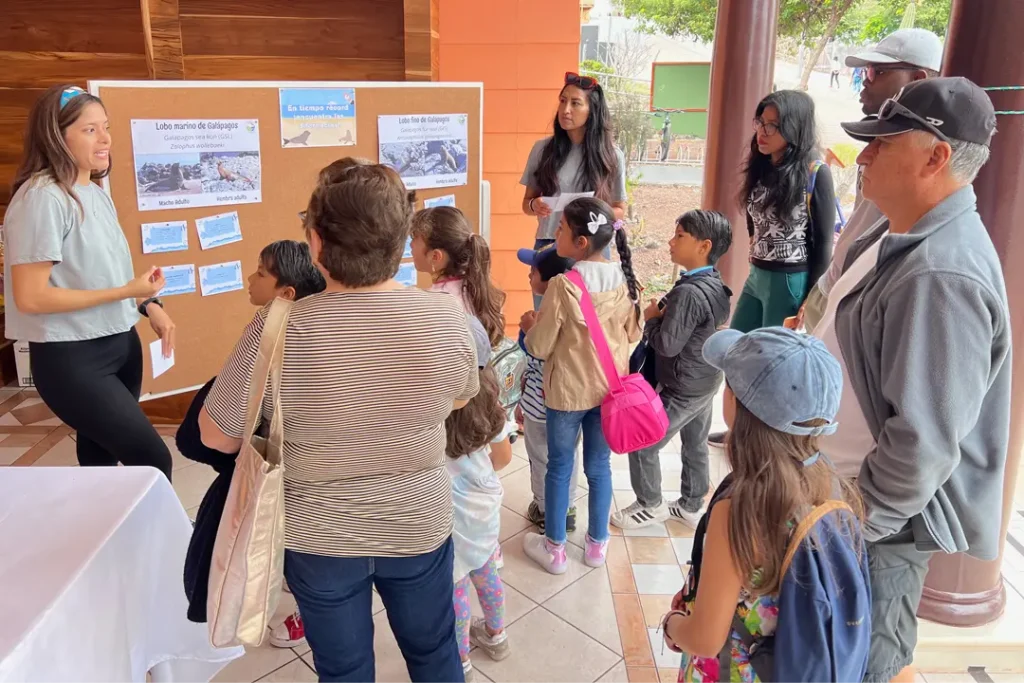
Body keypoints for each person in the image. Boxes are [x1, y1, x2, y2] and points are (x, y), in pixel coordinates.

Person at [199, 163, 478, 682]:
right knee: (435, 652)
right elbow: (461, 395)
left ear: (314, 244)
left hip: (319, 534)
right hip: (417, 521)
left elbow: (215, 432)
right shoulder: (444, 319)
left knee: (344, 669)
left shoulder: (278, 325)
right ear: (401, 242)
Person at [830, 77, 1010, 683]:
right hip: (851, 502)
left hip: (877, 525)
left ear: (936, 157)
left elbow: (924, 442)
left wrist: (856, 521)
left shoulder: (943, 274)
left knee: (869, 662)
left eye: (883, 144)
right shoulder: (900, 226)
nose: (864, 156)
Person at [663, 327, 868, 683]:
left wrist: (673, 626)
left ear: (736, 406)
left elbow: (707, 640)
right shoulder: (831, 484)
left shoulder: (742, 509)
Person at [3, 84, 175, 477]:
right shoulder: (43, 198)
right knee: (152, 460)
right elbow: (31, 297)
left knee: (99, 457)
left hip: (120, 342)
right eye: (89, 130)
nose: (105, 139)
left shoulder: (94, 193)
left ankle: (114, 535)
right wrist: (127, 292)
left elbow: (99, 273)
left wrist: (149, 306)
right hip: (73, 358)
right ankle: (161, 540)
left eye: (105, 127)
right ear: (56, 135)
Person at [176, 240, 325, 647]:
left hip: (280, 472)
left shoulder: (269, 325)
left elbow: (214, 436)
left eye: (261, 272)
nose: (249, 278)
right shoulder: (342, 316)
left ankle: (290, 602)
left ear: (286, 292)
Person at [707, 90, 836, 448]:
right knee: (737, 352)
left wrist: (808, 298)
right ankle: (738, 430)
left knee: (770, 366)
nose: (763, 133)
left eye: (774, 126)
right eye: (760, 123)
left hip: (789, 281)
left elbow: (823, 242)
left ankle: (763, 443)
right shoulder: (763, 166)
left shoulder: (815, 172)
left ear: (795, 128)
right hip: (757, 275)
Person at [519, 197, 641, 574]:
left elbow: (540, 346)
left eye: (561, 229)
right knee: (599, 466)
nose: (555, 233)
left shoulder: (562, 285)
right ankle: (596, 546)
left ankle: (555, 549)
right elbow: (633, 332)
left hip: (567, 394)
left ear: (581, 243)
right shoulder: (622, 281)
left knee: (559, 466)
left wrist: (528, 328)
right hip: (608, 392)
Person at [801, 28, 943, 331]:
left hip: (860, 301)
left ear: (917, 80)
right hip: (836, 283)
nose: (865, 80)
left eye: (878, 71)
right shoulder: (877, 137)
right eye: (866, 70)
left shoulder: (927, 159)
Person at [611, 210, 732, 531]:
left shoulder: (689, 293)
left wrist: (652, 317)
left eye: (680, 236)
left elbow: (666, 346)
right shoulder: (714, 282)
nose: (670, 242)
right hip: (706, 378)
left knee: (643, 442)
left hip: (683, 385)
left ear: (704, 246)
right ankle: (692, 504)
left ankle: (650, 504)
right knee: (695, 442)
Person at [520, 72, 627, 307]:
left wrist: (593, 212)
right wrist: (534, 205)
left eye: (575, 103)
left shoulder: (612, 156)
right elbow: (526, 204)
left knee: (589, 322)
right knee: (546, 322)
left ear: (593, 111)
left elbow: (620, 210)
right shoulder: (542, 150)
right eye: (562, 101)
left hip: (593, 249)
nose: (565, 109)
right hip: (549, 245)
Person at [446, 314, 514, 682]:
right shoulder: (491, 400)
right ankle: (496, 635)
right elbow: (502, 458)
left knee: (455, 590)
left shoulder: (427, 405)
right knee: (487, 576)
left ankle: (462, 663)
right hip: (484, 509)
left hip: (444, 514)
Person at [515, 245, 580, 532]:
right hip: (572, 405)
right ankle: (568, 507)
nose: (529, 276)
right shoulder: (579, 307)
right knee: (567, 457)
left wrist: (527, 330)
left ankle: (543, 508)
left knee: (541, 457)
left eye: (534, 272)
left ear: (552, 280)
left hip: (541, 408)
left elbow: (536, 353)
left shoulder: (545, 315)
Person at [410, 205, 506, 345]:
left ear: (436, 257)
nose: (411, 245)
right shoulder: (479, 289)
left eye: (414, 239)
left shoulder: (432, 304)